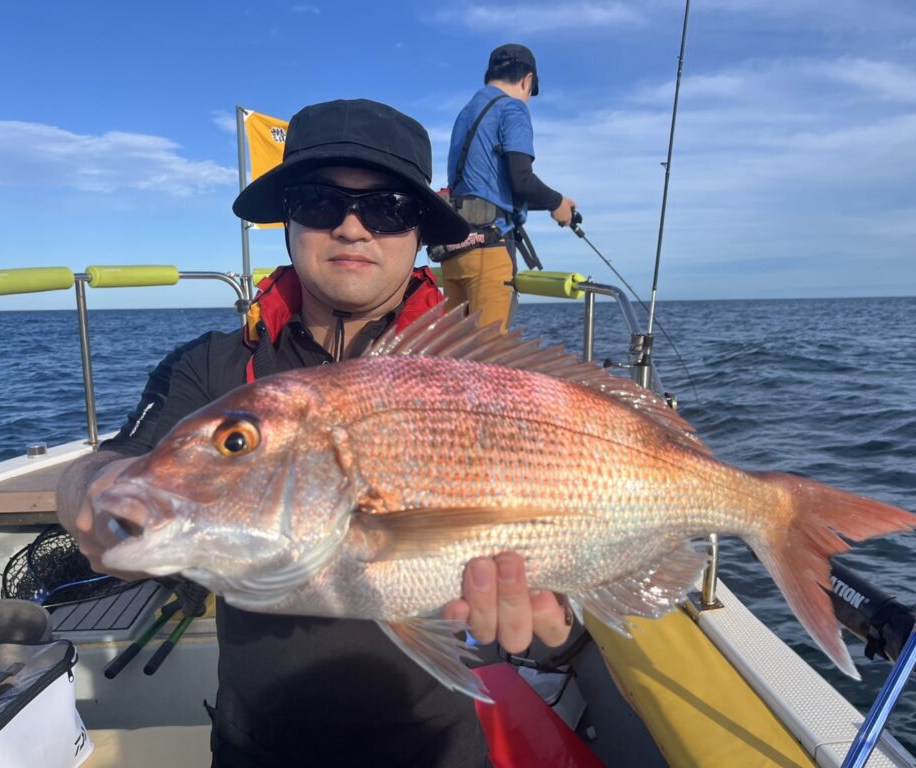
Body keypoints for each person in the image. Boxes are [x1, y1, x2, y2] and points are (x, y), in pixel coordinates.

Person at [56, 98, 573, 768]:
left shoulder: (481, 381)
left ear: (420, 230)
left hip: (438, 749)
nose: (352, 227)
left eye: (388, 208)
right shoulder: (215, 368)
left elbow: (567, 535)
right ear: (288, 221)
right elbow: (113, 464)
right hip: (255, 746)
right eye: (320, 202)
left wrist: (561, 601)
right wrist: (96, 490)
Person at [438, 43, 578, 333]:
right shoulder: (513, 108)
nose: (528, 99)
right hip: (488, 251)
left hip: (454, 252)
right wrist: (557, 203)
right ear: (527, 80)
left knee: (456, 353)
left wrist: (553, 203)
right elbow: (522, 179)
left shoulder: (466, 113)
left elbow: (486, 187)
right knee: (490, 355)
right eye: (531, 92)